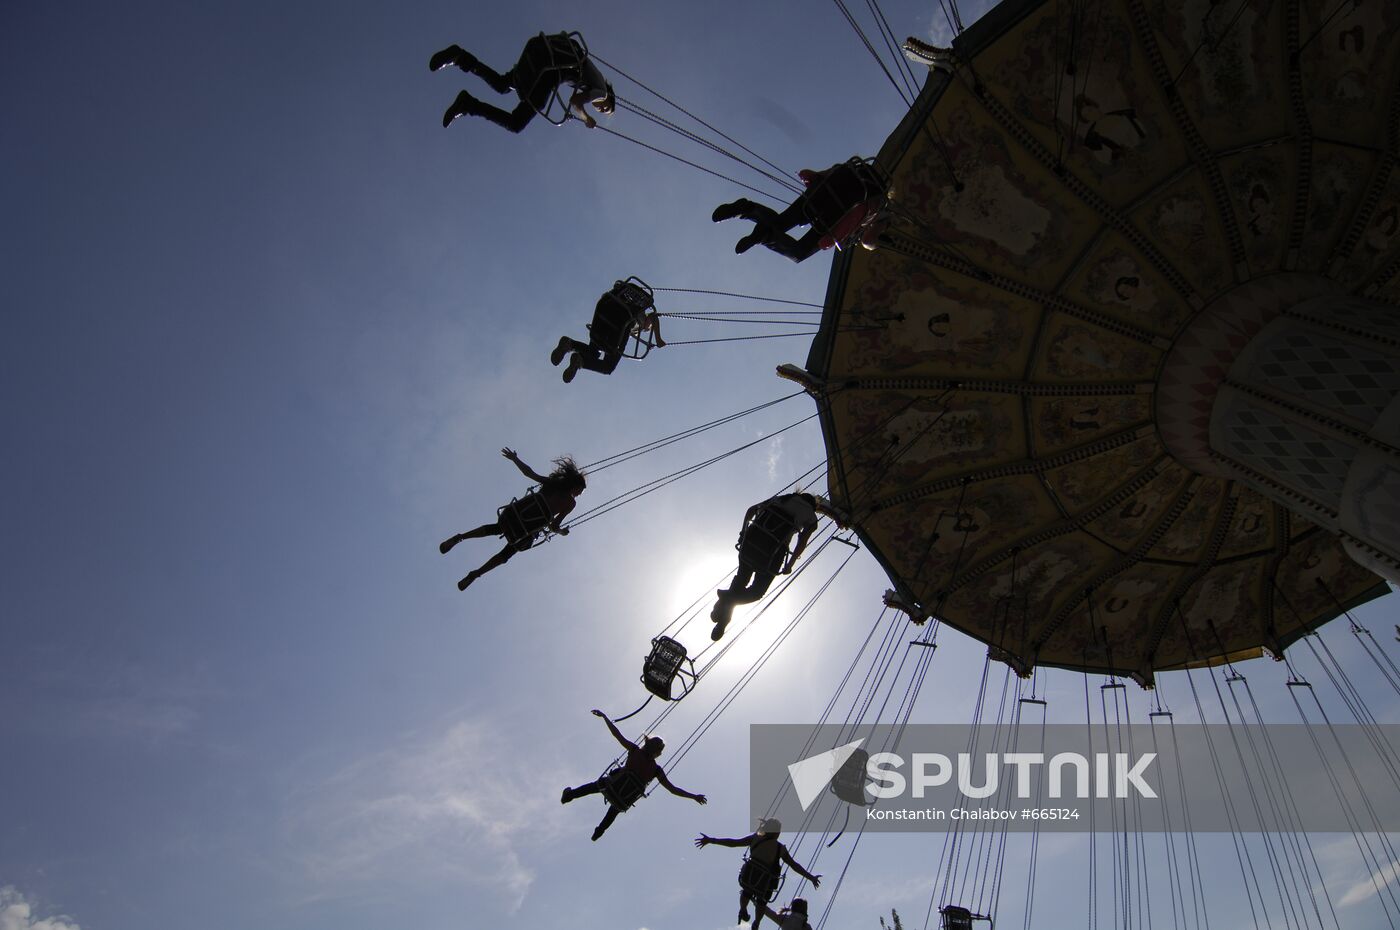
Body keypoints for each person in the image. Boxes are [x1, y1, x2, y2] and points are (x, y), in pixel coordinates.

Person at [439, 448, 585, 590]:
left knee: (496, 529)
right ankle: (475, 574)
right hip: (527, 529)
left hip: (517, 514)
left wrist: (515, 459)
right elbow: (554, 526)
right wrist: (561, 532)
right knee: (506, 554)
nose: (580, 494)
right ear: (575, 485)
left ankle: (460, 537)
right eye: (581, 490)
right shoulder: (570, 503)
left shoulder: (552, 484)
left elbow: (529, 473)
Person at [561, 709, 707, 841]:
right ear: (658, 753)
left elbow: (617, 735)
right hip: (624, 798)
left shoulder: (635, 750)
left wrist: (605, 717)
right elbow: (673, 789)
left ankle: (570, 795)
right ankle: (600, 830)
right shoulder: (656, 770)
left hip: (613, 785)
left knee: (595, 786)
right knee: (614, 810)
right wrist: (693, 796)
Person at [430, 32, 615, 132]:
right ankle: (469, 105)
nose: (601, 109)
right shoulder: (601, 92)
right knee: (516, 123)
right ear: (609, 96)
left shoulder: (592, 76)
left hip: (538, 56)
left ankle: (460, 57)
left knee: (503, 85)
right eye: (606, 108)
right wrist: (587, 119)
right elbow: (576, 102)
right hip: (548, 72)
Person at [711, 159, 889, 262]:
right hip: (842, 210)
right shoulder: (881, 208)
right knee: (800, 251)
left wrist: (815, 178)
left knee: (784, 220)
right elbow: (869, 241)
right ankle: (764, 236)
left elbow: (828, 172)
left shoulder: (852, 170)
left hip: (825, 189)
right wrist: (877, 238)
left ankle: (747, 209)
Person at [710, 493, 820, 640]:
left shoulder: (781, 498)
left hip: (750, 543)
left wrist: (743, 533)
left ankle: (725, 609)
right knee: (757, 591)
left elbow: (751, 510)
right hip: (772, 554)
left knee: (741, 579)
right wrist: (790, 564)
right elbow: (802, 542)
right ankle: (727, 602)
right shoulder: (811, 518)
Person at [694, 819, 821, 928]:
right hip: (764, 882)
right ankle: (757, 922)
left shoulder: (755, 838)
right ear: (776, 832)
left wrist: (712, 840)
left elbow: (733, 842)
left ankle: (743, 909)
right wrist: (810, 877)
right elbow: (794, 865)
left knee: (747, 891)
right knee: (762, 900)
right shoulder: (779, 848)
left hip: (749, 876)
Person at [550, 286, 666, 382]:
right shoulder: (639, 316)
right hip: (616, 332)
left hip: (603, 321)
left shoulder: (617, 301)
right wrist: (658, 339)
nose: (647, 328)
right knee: (607, 367)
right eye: (648, 328)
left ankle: (570, 344)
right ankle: (580, 361)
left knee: (593, 352)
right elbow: (653, 317)